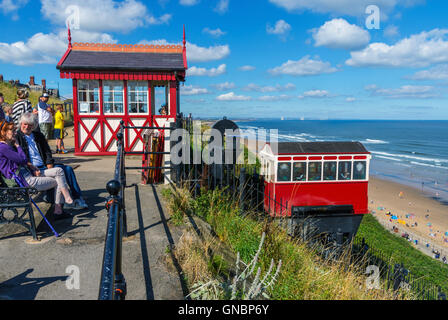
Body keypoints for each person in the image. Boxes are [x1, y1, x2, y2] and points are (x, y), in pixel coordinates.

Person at [0, 120, 75, 219]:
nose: (15, 133)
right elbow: (23, 159)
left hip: (26, 175)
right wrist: (18, 145)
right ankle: (58, 210)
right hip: (25, 181)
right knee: (58, 181)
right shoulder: (3, 147)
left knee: (59, 171)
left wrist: (31, 167)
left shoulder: (6, 146)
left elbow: (22, 162)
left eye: (15, 130)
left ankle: (66, 197)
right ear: (3, 132)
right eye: (12, 130)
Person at [16, 113, 88, 210]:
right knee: (60, 173)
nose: (27, 127)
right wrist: (30, 168)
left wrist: (49, 163)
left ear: (34, 126)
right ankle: (57, 199)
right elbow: (18, 158)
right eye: (25, 124)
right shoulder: (17, 137)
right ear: (21, 123)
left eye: (30, 125)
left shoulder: (38, 135)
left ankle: (77, 198)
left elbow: (47, 151)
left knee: (68, 169)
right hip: (33, 169)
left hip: (44, 165)